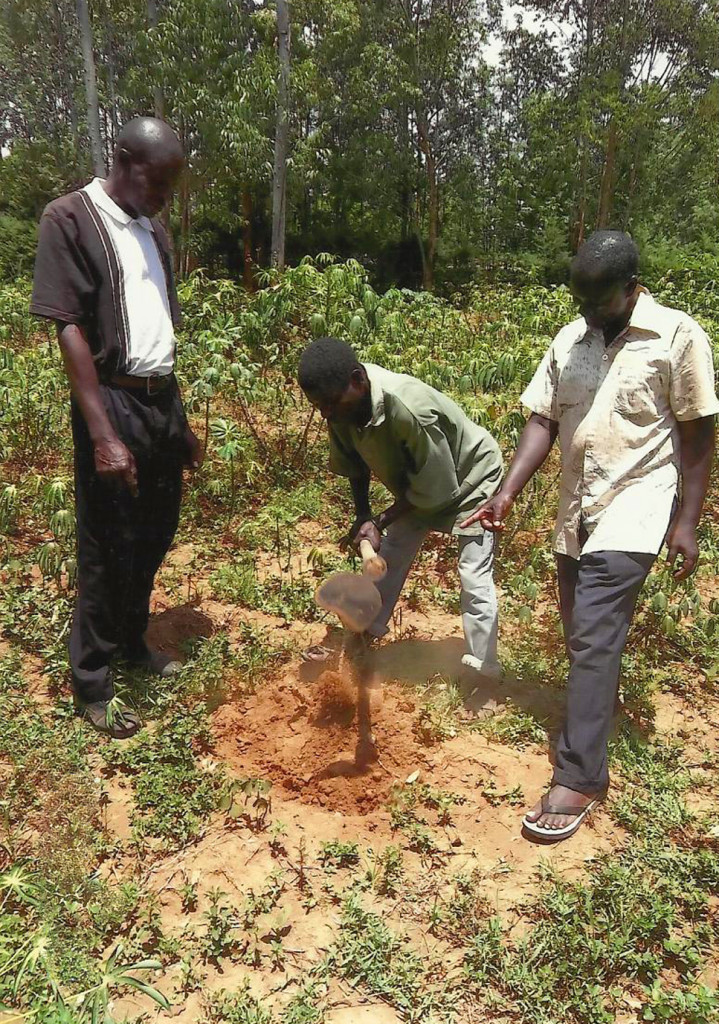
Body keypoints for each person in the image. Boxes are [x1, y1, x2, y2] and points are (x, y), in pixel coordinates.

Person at [462, 230, 718, 841]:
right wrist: (506, 492)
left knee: (596, 632)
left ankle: (579, 777)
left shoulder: (678, 336)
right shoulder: (569, 340)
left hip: (638, 504)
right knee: (582, 633)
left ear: (631, 289)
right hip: (576, 510)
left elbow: (697, 433)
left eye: (599, 301)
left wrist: (687, 520)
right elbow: (543, 419)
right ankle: (594, 711)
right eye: (580, 301)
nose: (587, 312)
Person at [30, 117, 203, 739]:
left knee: (155, 532)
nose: (164, 198)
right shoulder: (69, 219)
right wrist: (103, 434)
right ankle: (94, 681)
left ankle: (132, 643)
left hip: (159, 400)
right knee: (108, 545)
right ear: (124, 160)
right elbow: (69, 328)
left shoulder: (152, 228)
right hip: (112, 403)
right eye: (158, 183)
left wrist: (176, 422)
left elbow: (158, 326)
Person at [298, 337, 504, 683]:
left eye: (330, 404)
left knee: (473, 575)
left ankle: (484, 675)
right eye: (318, 406)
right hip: (420, 482)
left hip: (470, 480)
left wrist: (382, 519)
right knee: (388, 558)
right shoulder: (340, 408)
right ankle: (362, 639)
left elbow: (438, 489)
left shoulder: (409, 409)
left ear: (357, 380)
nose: (326, 414)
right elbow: (355, 466)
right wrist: (364, 516)